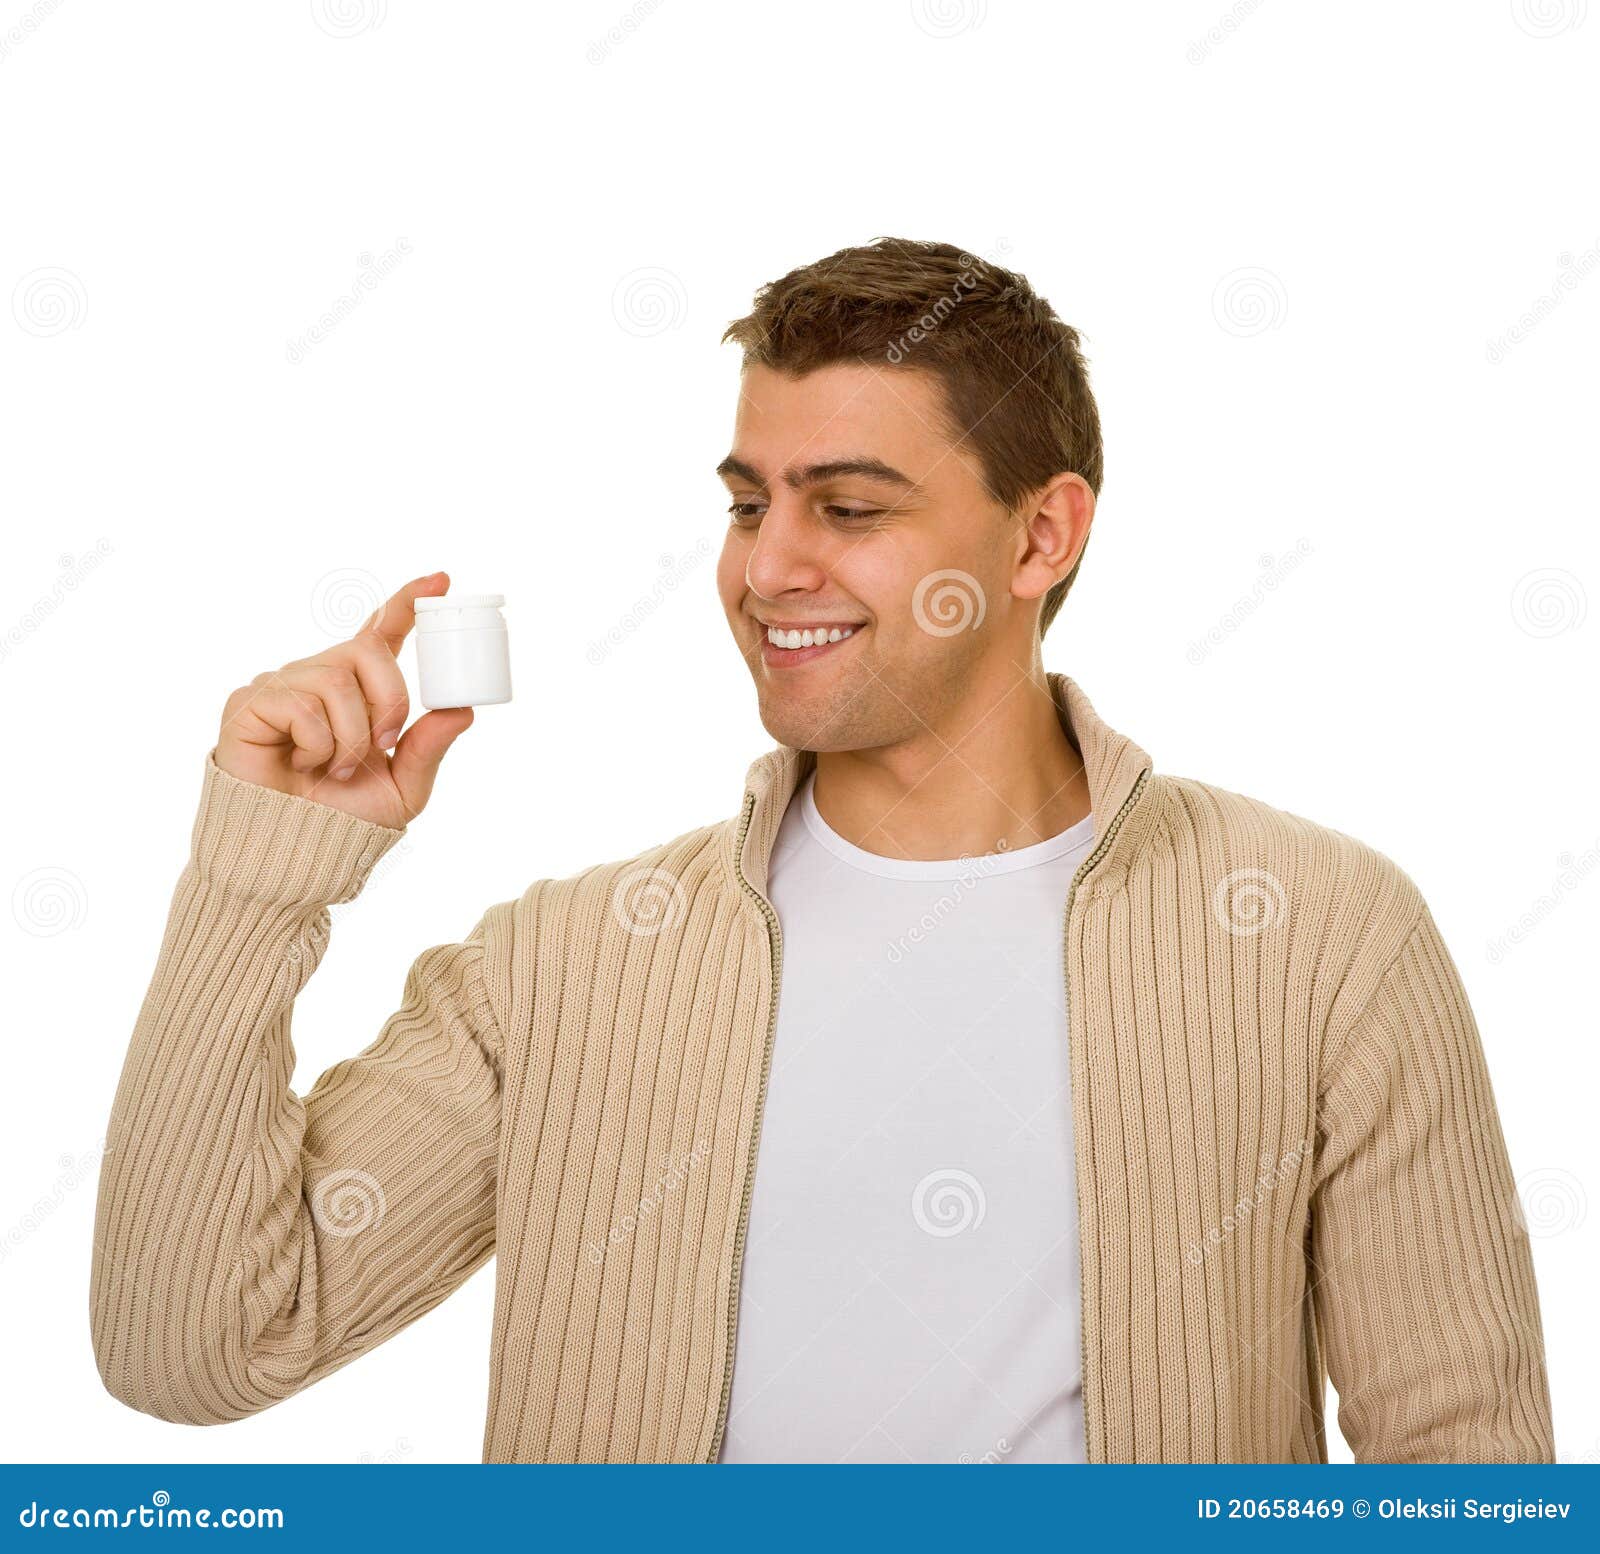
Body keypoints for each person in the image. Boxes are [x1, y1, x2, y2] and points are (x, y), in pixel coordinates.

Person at [90, 238, 1555, 1463]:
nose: (767, 566)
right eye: (749, 504)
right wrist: (258, 877)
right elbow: (195, 1346)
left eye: (847, 508)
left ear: (1040, 537)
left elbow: (1467, 1475)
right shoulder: (561, 969)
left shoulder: (1316, 934)